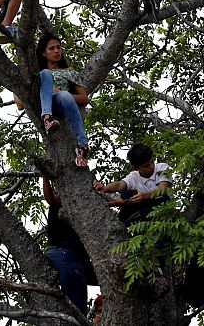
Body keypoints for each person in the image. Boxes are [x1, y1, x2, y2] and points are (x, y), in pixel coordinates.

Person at [15, 33, 90, 167]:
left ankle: (83, 144)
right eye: (52, 48)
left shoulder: (69, 71)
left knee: (65, 95)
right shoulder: (36, 74)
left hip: (61, 102)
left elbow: (84, 98)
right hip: (41, 103)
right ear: (43, 53)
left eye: (59, 47)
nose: (56, 51)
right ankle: (47, 118)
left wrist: (60, 92)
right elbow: (20, 104)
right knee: (45, 73)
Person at [42, 175, 97, 315]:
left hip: (79, 258)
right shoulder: (62, 200)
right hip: (63, 254)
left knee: (111, 276)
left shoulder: (85, 207)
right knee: (77, 310)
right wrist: (44, 176)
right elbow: (51, 199)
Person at [93, 144, 171, 225]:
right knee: (129, 196)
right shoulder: (133, 176)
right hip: (146, 214)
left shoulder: (162, 167)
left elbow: (163, 189)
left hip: (165, 209)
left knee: (162, 198)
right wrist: (104, 189)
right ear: (136, 168)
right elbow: (120, 184)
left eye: (152, 162)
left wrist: (143, 196)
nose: (151, 167)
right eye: (146, 166)